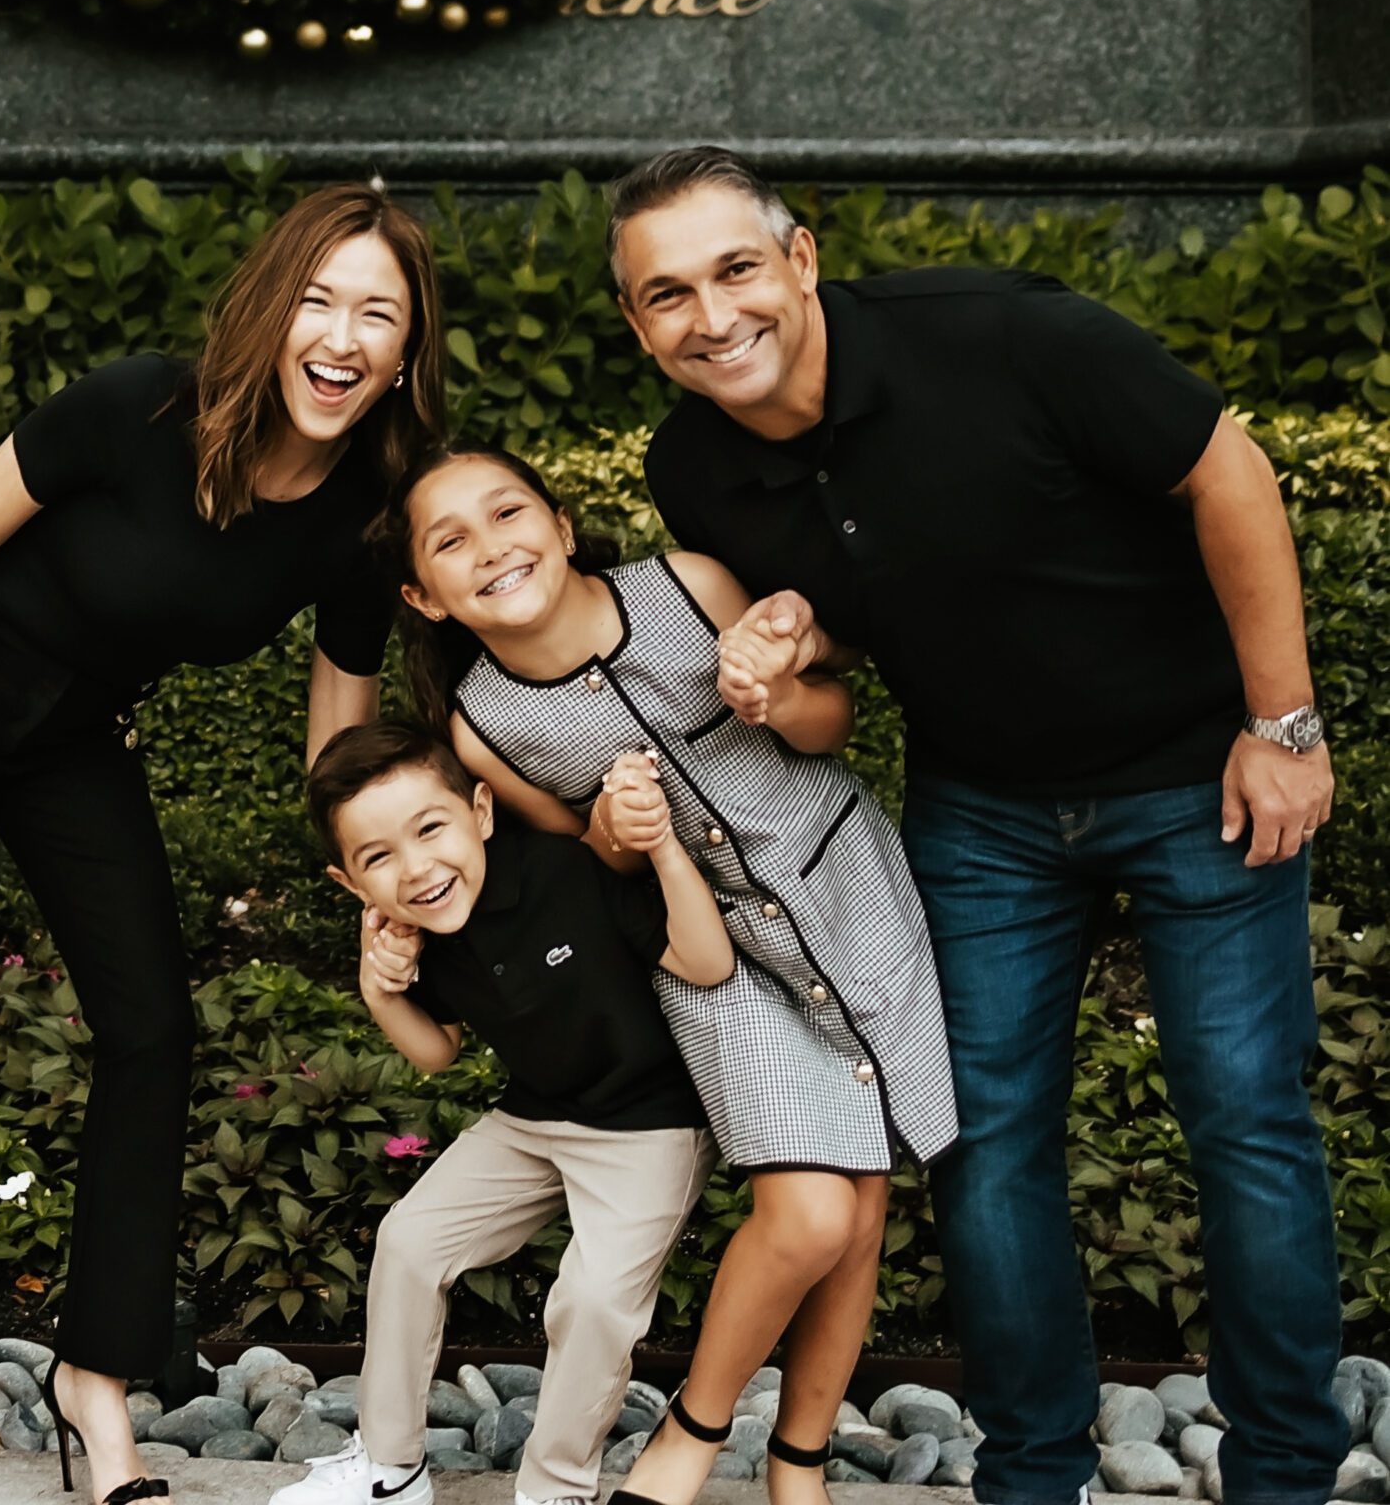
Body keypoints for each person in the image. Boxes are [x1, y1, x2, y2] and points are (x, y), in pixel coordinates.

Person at [610, 144, 1346, 1505]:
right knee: (985, 1140)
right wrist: (791, 639)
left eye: (733, 270)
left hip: (1198, 777)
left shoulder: (1006, 338)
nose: (710, 318)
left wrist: (1281, 725)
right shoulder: (691, 467)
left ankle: (1290, 1474)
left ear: (801, 259)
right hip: (986, 811)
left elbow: (1226, 472)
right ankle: (1032, 1474)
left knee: (1243, 1118)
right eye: (665, 296)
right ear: (636, 323)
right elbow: (845, 635)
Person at [0, 185, 445, 1505]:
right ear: (267, 309)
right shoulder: (135, 408)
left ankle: (94, 1385)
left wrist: (373, 881)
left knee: (153, 1028)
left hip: (73, 739)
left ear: (405, 353)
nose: (342, 336)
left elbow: (338, 726)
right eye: (319, 300)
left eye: (377, 314)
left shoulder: (364, 507)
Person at [392, 446, 956, 1505]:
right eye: (450, 540)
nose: (490, 547)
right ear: (425, 594)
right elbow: (580, 864)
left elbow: (834, 715)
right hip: (714, 961)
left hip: (845, 898)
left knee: (865, 1201)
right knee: (807, 1216)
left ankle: (797, 1464)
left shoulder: (686, 587)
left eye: (505, 512)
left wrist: (778, 696)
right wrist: (608, 832)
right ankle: (690, 1435)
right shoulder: (482, 723)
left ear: (559, 524)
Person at [280, 719, 727, 1505]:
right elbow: (435, 1051)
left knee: (592, 1300)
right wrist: (378, 984)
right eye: (378, 858)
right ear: (349, 882)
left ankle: (555, 1489)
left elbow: (705, 961)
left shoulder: (562, 874)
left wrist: (659, 846)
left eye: (430, 830)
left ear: (481, 812)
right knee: (410, 1241)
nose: (416, 870)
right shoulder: (417, 930)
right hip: (533, 1118)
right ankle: (391, 1466)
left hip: (648, 1124)